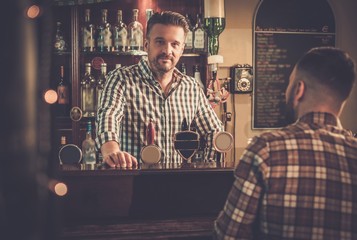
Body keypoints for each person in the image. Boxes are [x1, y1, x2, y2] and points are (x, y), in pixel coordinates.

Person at [214, 46, 357, 239]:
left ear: (299, 90)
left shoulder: (265, 150)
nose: (285, 91)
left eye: (289, 83)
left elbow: (229, 236)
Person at [95, 11, 223, 168]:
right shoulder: (122, 78)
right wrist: (112, 152)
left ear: (182, 48)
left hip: (178, 182)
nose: (167, 51)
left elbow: (214, 131)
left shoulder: (191, 87)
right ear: (147, 45)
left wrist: (206, 165)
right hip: (136, 181)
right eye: (160, 42)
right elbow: (108, 116)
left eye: (174, 44)